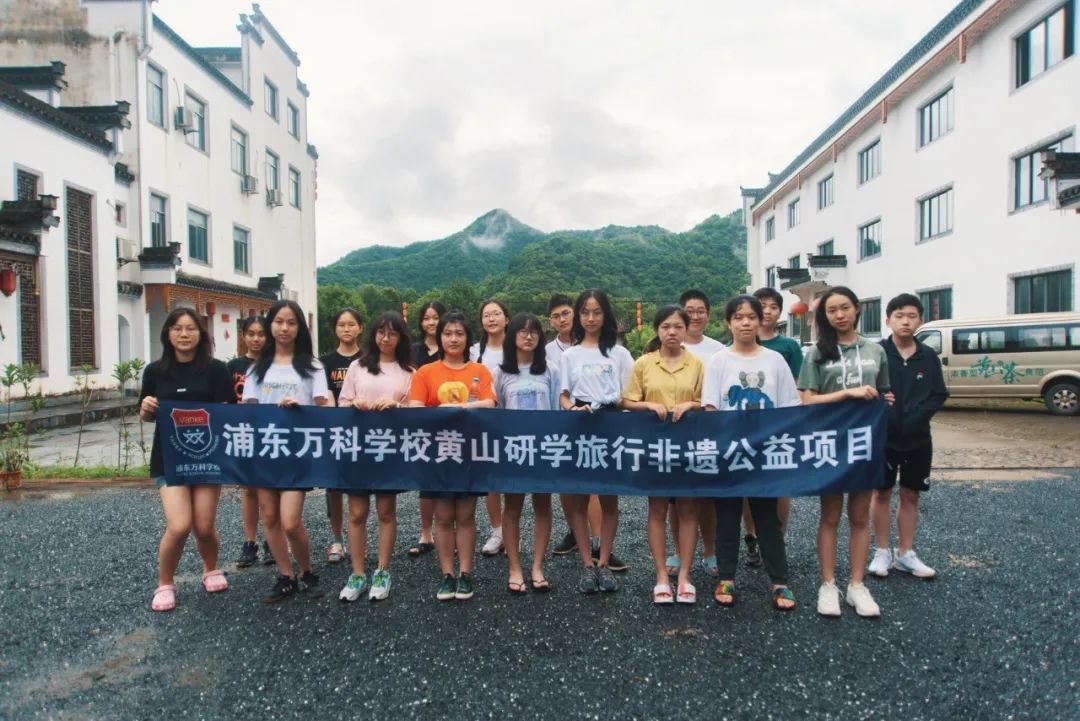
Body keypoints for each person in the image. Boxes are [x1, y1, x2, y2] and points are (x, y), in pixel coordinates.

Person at [798, 286, 892, 618]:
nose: (839, 315)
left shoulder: (876, 350)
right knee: (830, 515)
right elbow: (807, 400)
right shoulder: (817, 353)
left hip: (864, 441)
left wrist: (885, 399)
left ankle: (857, 585)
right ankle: (828, 584)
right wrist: (847, 394)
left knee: (860, 516)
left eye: (844, 308)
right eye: (832, 310)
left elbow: (884, 392)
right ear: (824, 317)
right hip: (829, 441)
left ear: (857, 309)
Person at [702, 295, 799, 611]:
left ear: (761, 321)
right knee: (727, 517)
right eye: (738, 317)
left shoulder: (775, 360)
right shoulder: (718, 360)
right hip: (730, 452)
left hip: (766, 453)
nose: (745, 323)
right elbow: (711, 408)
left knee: (767, 518)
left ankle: (780, 581)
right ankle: (726, 577)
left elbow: (789, 407)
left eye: (751, 317)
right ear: (728, 322)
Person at [141, 308, 235, 612]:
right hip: (169, 458)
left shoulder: (217, 370)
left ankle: (211, 568)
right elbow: (146, 415)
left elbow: (227, 412)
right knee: (180, 525)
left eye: (191, 328)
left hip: (207, 458)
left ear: (201, 334)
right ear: (167, 334)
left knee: (204, 527)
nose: (184, 334)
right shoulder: (154, 372)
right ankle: (165, 582)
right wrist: (146, 408)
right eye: (177, 328)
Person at [243, 300, 331, 603]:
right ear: (270, 325)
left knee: (290, 521)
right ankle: (286, 575)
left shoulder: (312, 367)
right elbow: (249, 413)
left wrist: (300, 408)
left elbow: (323, 409)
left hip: (297, 452)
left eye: (291, 322)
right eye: (279, 321)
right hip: (266, 451)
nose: (284, 328)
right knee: (269, 517)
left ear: (299, 328)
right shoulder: (256, 369)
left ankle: (306, 571)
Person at [408, 311, 497, 601]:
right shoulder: (426, 372)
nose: (454, 338)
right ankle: (447, 574)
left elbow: (490, 402)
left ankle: (466, 573)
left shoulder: (480, 370)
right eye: (448, 333)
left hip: (469, 451)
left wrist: (460, 409)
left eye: (459, 333)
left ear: (467, 338)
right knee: (443, 516)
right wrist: (443, 413)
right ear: (440, 337)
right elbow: (415, 408)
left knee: (466, 515)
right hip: (437, 452)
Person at [620, 305, 702, 604]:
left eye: (678, 327)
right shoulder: (644, 363)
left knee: (688, 509)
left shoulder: (697, 364)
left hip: (687, 447)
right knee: (656, 509)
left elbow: (707, 402)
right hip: (654, 446)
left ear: (686, 330)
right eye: (666, 326)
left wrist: (691, 405)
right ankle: (661, 577)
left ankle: (685, 576)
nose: (672, 332)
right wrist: (647, 405)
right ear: (657, 330)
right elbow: (627, 401)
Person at [559, 289, 634, 593]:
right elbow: (564, 396)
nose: (591, 318)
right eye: (585, 312)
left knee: (609, 498)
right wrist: (572, 409)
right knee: (578, 498)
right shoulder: (570, 355)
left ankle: (604, 562)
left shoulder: (620, 353)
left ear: (606, 315)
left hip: (610, 426)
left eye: (597, 312)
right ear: (578, 316)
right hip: (580, 426)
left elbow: (629, 395)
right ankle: (587, 565)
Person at [336, 312, 414, 602]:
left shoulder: (409, 371)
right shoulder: (357, 366)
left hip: (388, 449)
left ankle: (383, 570)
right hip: (358, 448)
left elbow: (415, 410)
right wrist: (353, 403)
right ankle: (357, 573)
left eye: (392, 333)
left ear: (401, 338)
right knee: (357, 513)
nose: (386, 338)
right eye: (381, 332)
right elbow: (342, 402)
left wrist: (397, 405)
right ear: (373, 335)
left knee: (385, 512)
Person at [869, 293, 948, 580]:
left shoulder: (927, 356)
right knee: (881, 493)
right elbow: (866, 389)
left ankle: (905, 552)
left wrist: (918, 415)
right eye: (899, 316)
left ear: (920, 321)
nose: (905, 321)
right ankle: (882, 551)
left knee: (911, 494)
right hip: (883, 438)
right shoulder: (876, 353)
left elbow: (939, 394)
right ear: (887, 320)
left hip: (918, 439)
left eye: (912, 316)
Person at [733, 286, 804, 565]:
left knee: (779, 487)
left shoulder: (787, 348)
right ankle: (751, 536)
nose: (767, 311)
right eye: (762, 306)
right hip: (744, 432)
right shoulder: (732, 349)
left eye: (774, 306)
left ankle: (776, 539)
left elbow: (796, 387)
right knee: (747, 487)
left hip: (777, 430)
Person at [494, 313, 559, 594]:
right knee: (512, 508)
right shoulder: (501, 373)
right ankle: (515, 568)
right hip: (514, 451)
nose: (528, 336)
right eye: (522, 331)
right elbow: (497, 414)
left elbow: (556, 411)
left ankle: (537, 567)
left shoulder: (550, 370)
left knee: (543, 506)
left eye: (534, 331)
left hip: (543, 449)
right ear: (512, 336)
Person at [546, 293, 612, 566]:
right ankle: (577, 535)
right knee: (570, 485)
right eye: (556, 316)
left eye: (566, 313)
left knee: (599, 488)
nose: (562, 319)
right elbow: (560, 393)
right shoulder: (552, 352)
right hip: (567, 425)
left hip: (602, 426)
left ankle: (599, 544)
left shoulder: (611, 350)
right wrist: (570, 408)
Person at [677, 289, 726, 578]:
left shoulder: (719, 350)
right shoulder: (665, 344)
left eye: (700, 311)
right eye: (689, 311)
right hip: (674, 432)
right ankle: (677, 551)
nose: (695, 316)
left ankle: (710, 550)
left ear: (708, 314)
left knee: (707, 497)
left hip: (708, 431)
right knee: (674, 497)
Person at [227, 315, 274, 568]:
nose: (256, 339)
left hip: (270, 433)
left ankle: (271, 540)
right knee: (249, 489)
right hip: (243, 433)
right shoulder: (233, 366)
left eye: (261, 334)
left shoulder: (274, 364)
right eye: (251, 334)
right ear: (243, 335)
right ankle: (250, 541)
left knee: (270, 488)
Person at [320, 308, 365, 565]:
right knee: (334, 488)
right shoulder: (324, 362)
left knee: (360, 491)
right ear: (335, 329)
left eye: (351, 324)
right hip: (335, 431)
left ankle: (360, 541)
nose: (346, 329)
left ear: (360, 328)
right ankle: (337, 538)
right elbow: (325, 395)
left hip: (364, 432)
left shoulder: (368, 359)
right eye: (341, 325)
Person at [470, 299, 511, 557]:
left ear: (507, 319)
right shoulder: (474, 351)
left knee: (514, 477)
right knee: (491, 477)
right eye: (487, 315)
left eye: (497, 313)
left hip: (512, 419)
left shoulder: (516, 346)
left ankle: (513, 532)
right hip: (483, 420)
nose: (492, 318)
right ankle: (498, 531)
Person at [408, 300, 445, 558]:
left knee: (449, 478)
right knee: (426, 480)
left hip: (452, 423)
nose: (431, 322)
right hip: (423, 422)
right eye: (426, 318)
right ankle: (426, 533)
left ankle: (450, 533)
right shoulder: (413, 350)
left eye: (435, 317)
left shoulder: (452, 346)